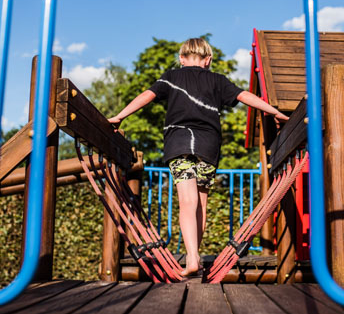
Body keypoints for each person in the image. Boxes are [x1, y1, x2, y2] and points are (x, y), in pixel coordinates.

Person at [108, 38, 288, 276]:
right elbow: (245, 96)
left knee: (188, 201)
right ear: (208, 60)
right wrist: (274, 111)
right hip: (208, 145)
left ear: (182, 59)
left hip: (179, 142)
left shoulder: (171, 77)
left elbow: (147, 96)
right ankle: (196, 255)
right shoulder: (218, 80)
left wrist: (120, 116)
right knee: (200, 202)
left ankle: (192, 257)